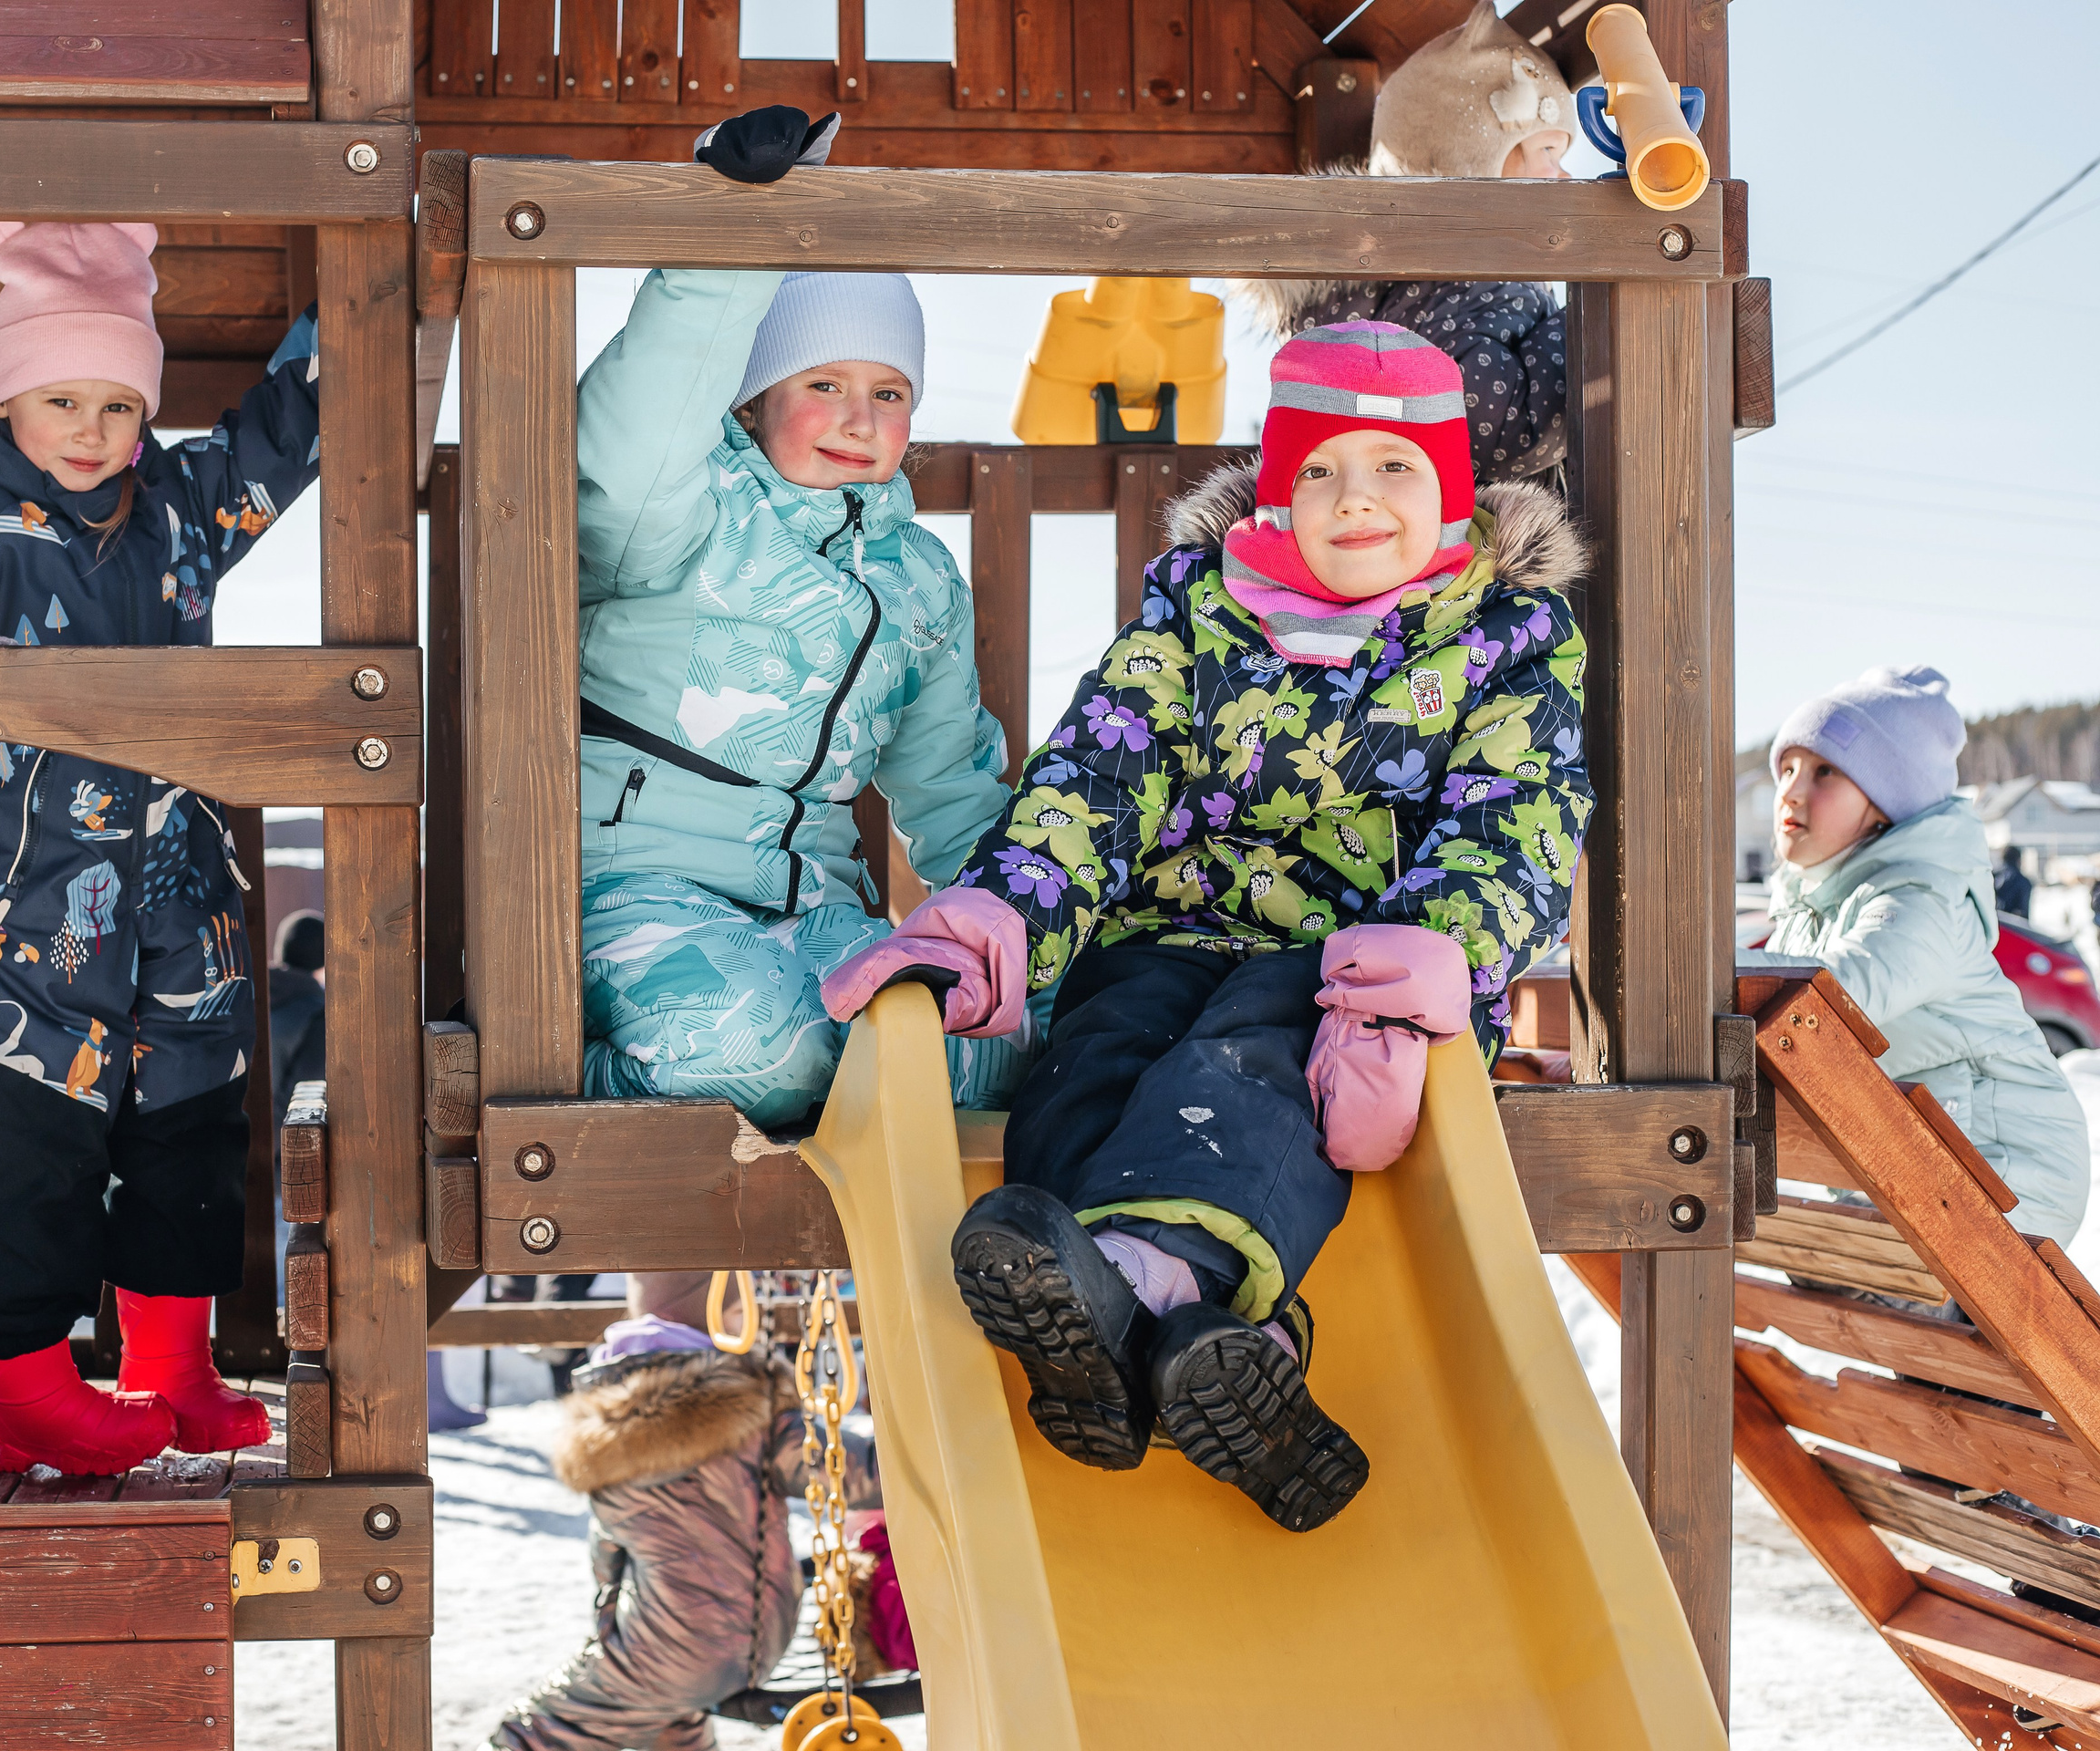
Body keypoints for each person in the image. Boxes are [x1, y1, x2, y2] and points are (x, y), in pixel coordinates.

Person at [823, 321, 1593, 1532]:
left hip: (1351, 965)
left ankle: (1147, 1281)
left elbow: (1523, 813)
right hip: (1170, 928)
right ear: (1280, 492)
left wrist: (1449, 954)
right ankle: (1217, 1352)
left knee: (1238, 1062)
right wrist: (1003, 909)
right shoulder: (1199, 613)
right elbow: (1099, 776)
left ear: (1448, 490)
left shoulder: (1501, 638)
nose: (1356, 499)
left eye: (1394, 468)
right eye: (1322, 470)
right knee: (1090, 1055)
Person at [0, 220, 320, 1475]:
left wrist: (359, 332)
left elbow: (276, 443)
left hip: (180, 883)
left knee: (191, 1114)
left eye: (121, 402)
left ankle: (171, 1361)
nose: (93, 428)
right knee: (38, 1121)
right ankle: (23, 1380)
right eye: (63, 397)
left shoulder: (174, 511)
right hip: (33, 886)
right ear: (9, 397)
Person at [575, 106, 1028, 1129]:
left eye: (889, 390)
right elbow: (635, 435)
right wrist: (723, 243)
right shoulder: (683, 515)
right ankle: (608, 1081)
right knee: (762, 1051)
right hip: (633, 885)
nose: (861, 418)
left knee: (993, 1055)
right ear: (750, 400)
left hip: (814, 910)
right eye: (823, 383)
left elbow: (951, 790)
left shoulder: (916, 579)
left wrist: (1027, 940)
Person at [1746, 668, 2089, 1243]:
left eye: (1825, 770)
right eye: (1787, 768)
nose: (1793, 789)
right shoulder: (1812, 911)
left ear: (1885, 802)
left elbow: (1835, 1001)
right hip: (1928, 1177)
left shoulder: (1921, 899)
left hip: (2012, 1170)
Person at [492, 1271, 883, 1751]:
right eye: (740, 1315)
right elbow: (856, 1473)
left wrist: (613, 1635)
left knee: (536, 1734)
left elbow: (609, 1559)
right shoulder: (750, 1413)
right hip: (761, 1635)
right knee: (671, 1723)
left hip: (669, 1646)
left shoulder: (603, 1433)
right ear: (715, 1319)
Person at [1232, 1, 1574, 485]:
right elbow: (1499, 429)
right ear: (1478, 157)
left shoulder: (1405, 281)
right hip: (1470, 545)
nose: (1563, 176)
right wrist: (1586, 322)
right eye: (1548, 153)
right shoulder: (1459, 282)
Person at [266, 908, 326, 1120]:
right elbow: (306, 1101)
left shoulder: (246, 997)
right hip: (282, 1145)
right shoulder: (318, 1015)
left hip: (235, 1137)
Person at [1994, 844, 2033, 919]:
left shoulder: (1993, 878)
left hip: (1995, 924)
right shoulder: (2024, 882)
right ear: (2019, 860)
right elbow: (2022, 911)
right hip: (2012, 927)